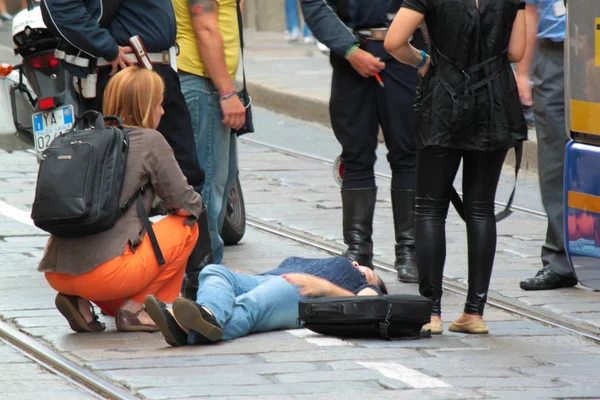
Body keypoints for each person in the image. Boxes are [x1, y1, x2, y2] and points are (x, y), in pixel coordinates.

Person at [41, 0, 215, 300]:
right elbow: (58, 6)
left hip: (143, 68)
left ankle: (85, 291)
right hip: (129, 72)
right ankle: (201, 283)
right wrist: (104, 46)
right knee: (172, 182)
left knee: (108, 181)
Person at [384, 0, 527, 334]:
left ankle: (431, 312)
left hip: (443, 101)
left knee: (430, 210)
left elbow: (393, 42)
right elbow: (517, 51)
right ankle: (474, 313)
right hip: (494, 102)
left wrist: (422, 59)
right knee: (481, 209)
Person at [39, 67, 204, 333]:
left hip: (57, 273)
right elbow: (186, 204)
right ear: (147, 105)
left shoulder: (80, 137)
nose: (163, 111)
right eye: (160, 104)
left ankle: (79, 302)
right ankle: (136, 310)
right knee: (187, 227)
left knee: (115, 248)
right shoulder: (149, 140)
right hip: (106, 276)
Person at [300, 0, 427, 283]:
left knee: (408, 152)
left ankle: (410, 250)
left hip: (404, 53)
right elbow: (314, 5)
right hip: (350, 57)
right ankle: (358, 250)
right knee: (355, 154)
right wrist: (350, 51)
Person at [144, 256, 388, 346]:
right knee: (214, 272)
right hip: (265, 279)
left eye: (368, 272)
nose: (361, 267)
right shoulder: (331, 260)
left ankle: (187, 330)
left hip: (300, 290)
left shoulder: (364, 285)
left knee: (250, 307)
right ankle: (208, 312)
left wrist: (323, 287)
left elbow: (365, 306)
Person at [173, 0, 245, 265]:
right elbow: (205, 27)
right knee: (207, 188)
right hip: (203, 83)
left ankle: (204, 272)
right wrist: (227, 92)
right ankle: (202, 274)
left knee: (221, 182)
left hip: (209, 83)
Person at [516, 0, 579, 291]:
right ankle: (560, 260)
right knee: (555, 161)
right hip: (557, 53)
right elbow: (531, 11)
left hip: (594, 45)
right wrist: (523, 71)